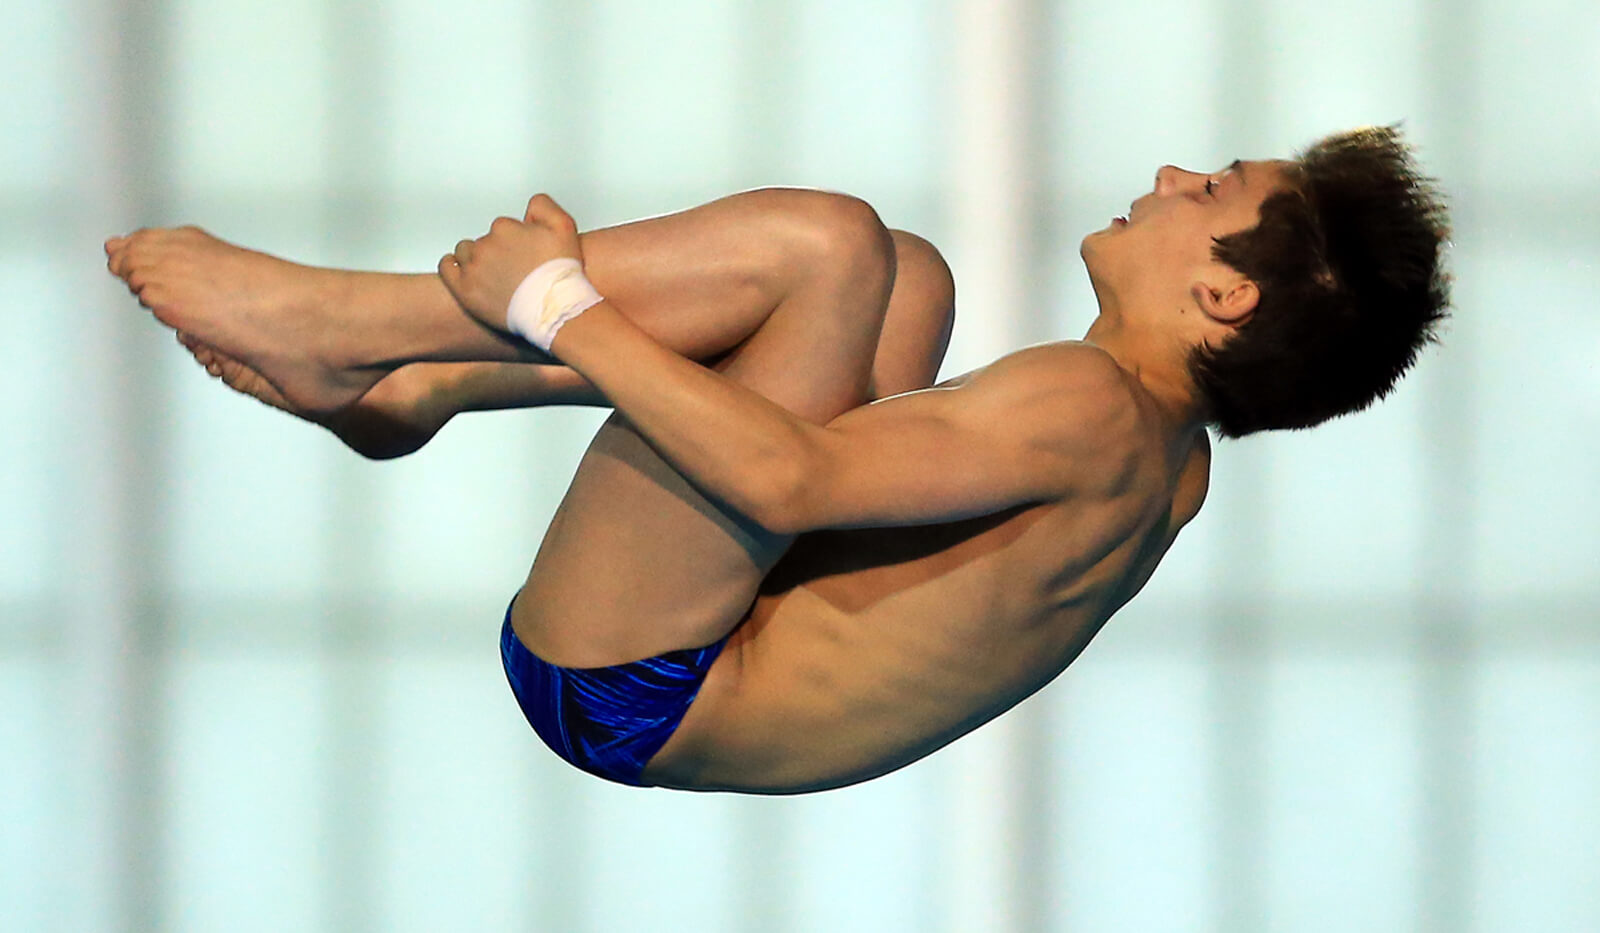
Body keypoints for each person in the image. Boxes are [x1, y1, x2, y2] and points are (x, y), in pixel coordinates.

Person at [104, 125, 1449, 793]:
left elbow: (788, 483)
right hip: (705, 650)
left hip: (635, 677)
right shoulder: (1163, 461)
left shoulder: (1088, 404)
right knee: (902, 277)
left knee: (829, 245)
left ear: (1226, 297)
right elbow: (843, 504)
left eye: (1207, 193)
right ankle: (422, 386)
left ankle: (349, 326)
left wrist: (558, 304)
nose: (1165, 176)